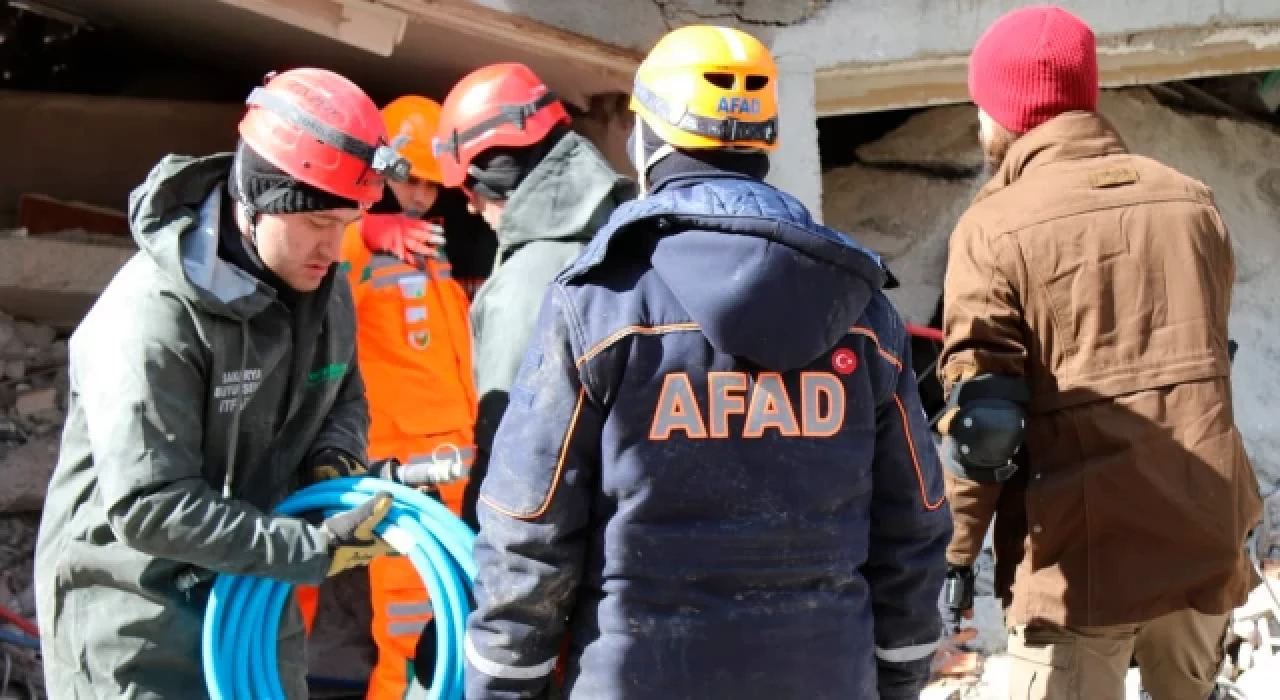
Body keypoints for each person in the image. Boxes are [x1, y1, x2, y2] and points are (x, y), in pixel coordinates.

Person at [462, 25, 953, 700]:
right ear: (763, 139)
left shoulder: (600, 302)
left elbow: (530, 522)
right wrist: (897, 672)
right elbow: (916, 516)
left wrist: (501, 682)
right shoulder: (861, 307)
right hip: (824, 674)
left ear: (646, 139)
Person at [33, 67, 403, 699]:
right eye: (316, 223)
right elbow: (150, 506)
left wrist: (332, 464)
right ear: (260, 202)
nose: (332, 247)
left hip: (249, 595)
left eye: (345, 224)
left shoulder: (323, 287)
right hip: (136, 617)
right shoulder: (154, 315)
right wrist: (307, 547)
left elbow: (340, 392)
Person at [937, 6, 1264, 700]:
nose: (978, 125)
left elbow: (985, 423)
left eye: (981, 106)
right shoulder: (1191, 202)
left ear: (1009, 111)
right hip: (1202, 537)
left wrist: (957, 550)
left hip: (1081, 564)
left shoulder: (993, 227)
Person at [430, 62, 635, 526]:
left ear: (492, 177)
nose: (468, 204)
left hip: (561, 548)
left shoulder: (526, 281)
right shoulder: (628, 236)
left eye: (468, 187)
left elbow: (515, 455)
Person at [337, 94, 479, 700]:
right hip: (404, 469)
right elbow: (308, 270)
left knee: (458, 618)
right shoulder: (357, 242)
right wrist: (362, 227)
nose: (419, 194)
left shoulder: (427, 244)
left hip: (459, 456)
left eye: (429, 182)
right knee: (408, 625)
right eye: (408, 179)